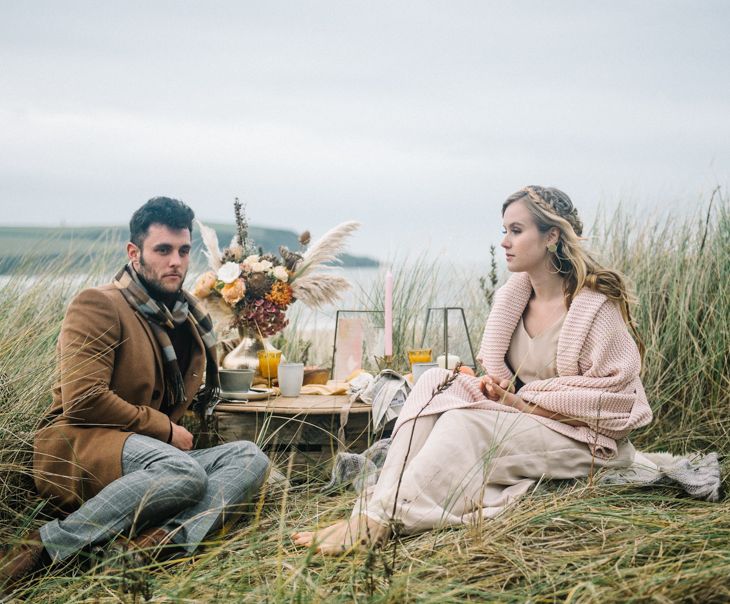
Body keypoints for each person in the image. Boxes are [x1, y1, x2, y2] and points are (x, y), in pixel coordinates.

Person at [293, 185, 652, 554]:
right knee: (435, 380)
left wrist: (518, 402)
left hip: (583, 440)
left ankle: (379, 521)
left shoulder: (594, 309)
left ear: (552, 236)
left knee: (463, 422)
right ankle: (371, 512)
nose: (504, 242)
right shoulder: (512, 300)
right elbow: (510, 382)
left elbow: (616, 404)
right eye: (504, 231)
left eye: (516, 230)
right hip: (523, 422)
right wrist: (489, 389)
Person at [1, 197, 269, 593]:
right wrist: (163, 430)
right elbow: (82, 399)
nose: (175, 261)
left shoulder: (186, 315)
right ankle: (48, 545)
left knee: (250, 458)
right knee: (185, 471)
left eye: (182, 250)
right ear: (134, 252)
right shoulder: (98, 304)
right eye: (162, 250)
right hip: (83, 447)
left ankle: (149, 545)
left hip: (149, 456)